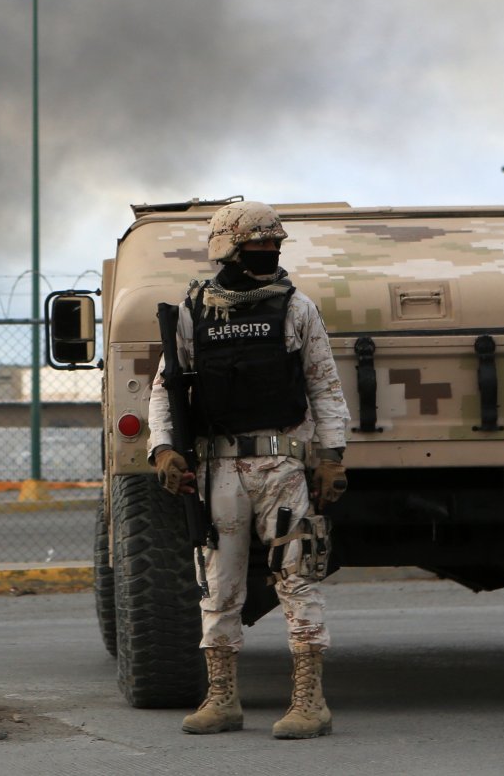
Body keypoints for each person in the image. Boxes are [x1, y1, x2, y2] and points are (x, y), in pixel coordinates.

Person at [147, 200, 351, 739]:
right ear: (228, 251)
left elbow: (324, 386)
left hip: (282, 466)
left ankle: (310, 701)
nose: (267, 256)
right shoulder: (194, 311)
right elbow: (166, 390)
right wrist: (164, 450)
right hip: (219, 470)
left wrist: (331, 458)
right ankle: (223, 699)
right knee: (218, 586)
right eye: (256, 248)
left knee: (297, 577)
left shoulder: (296, 307)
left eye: (273, 248)